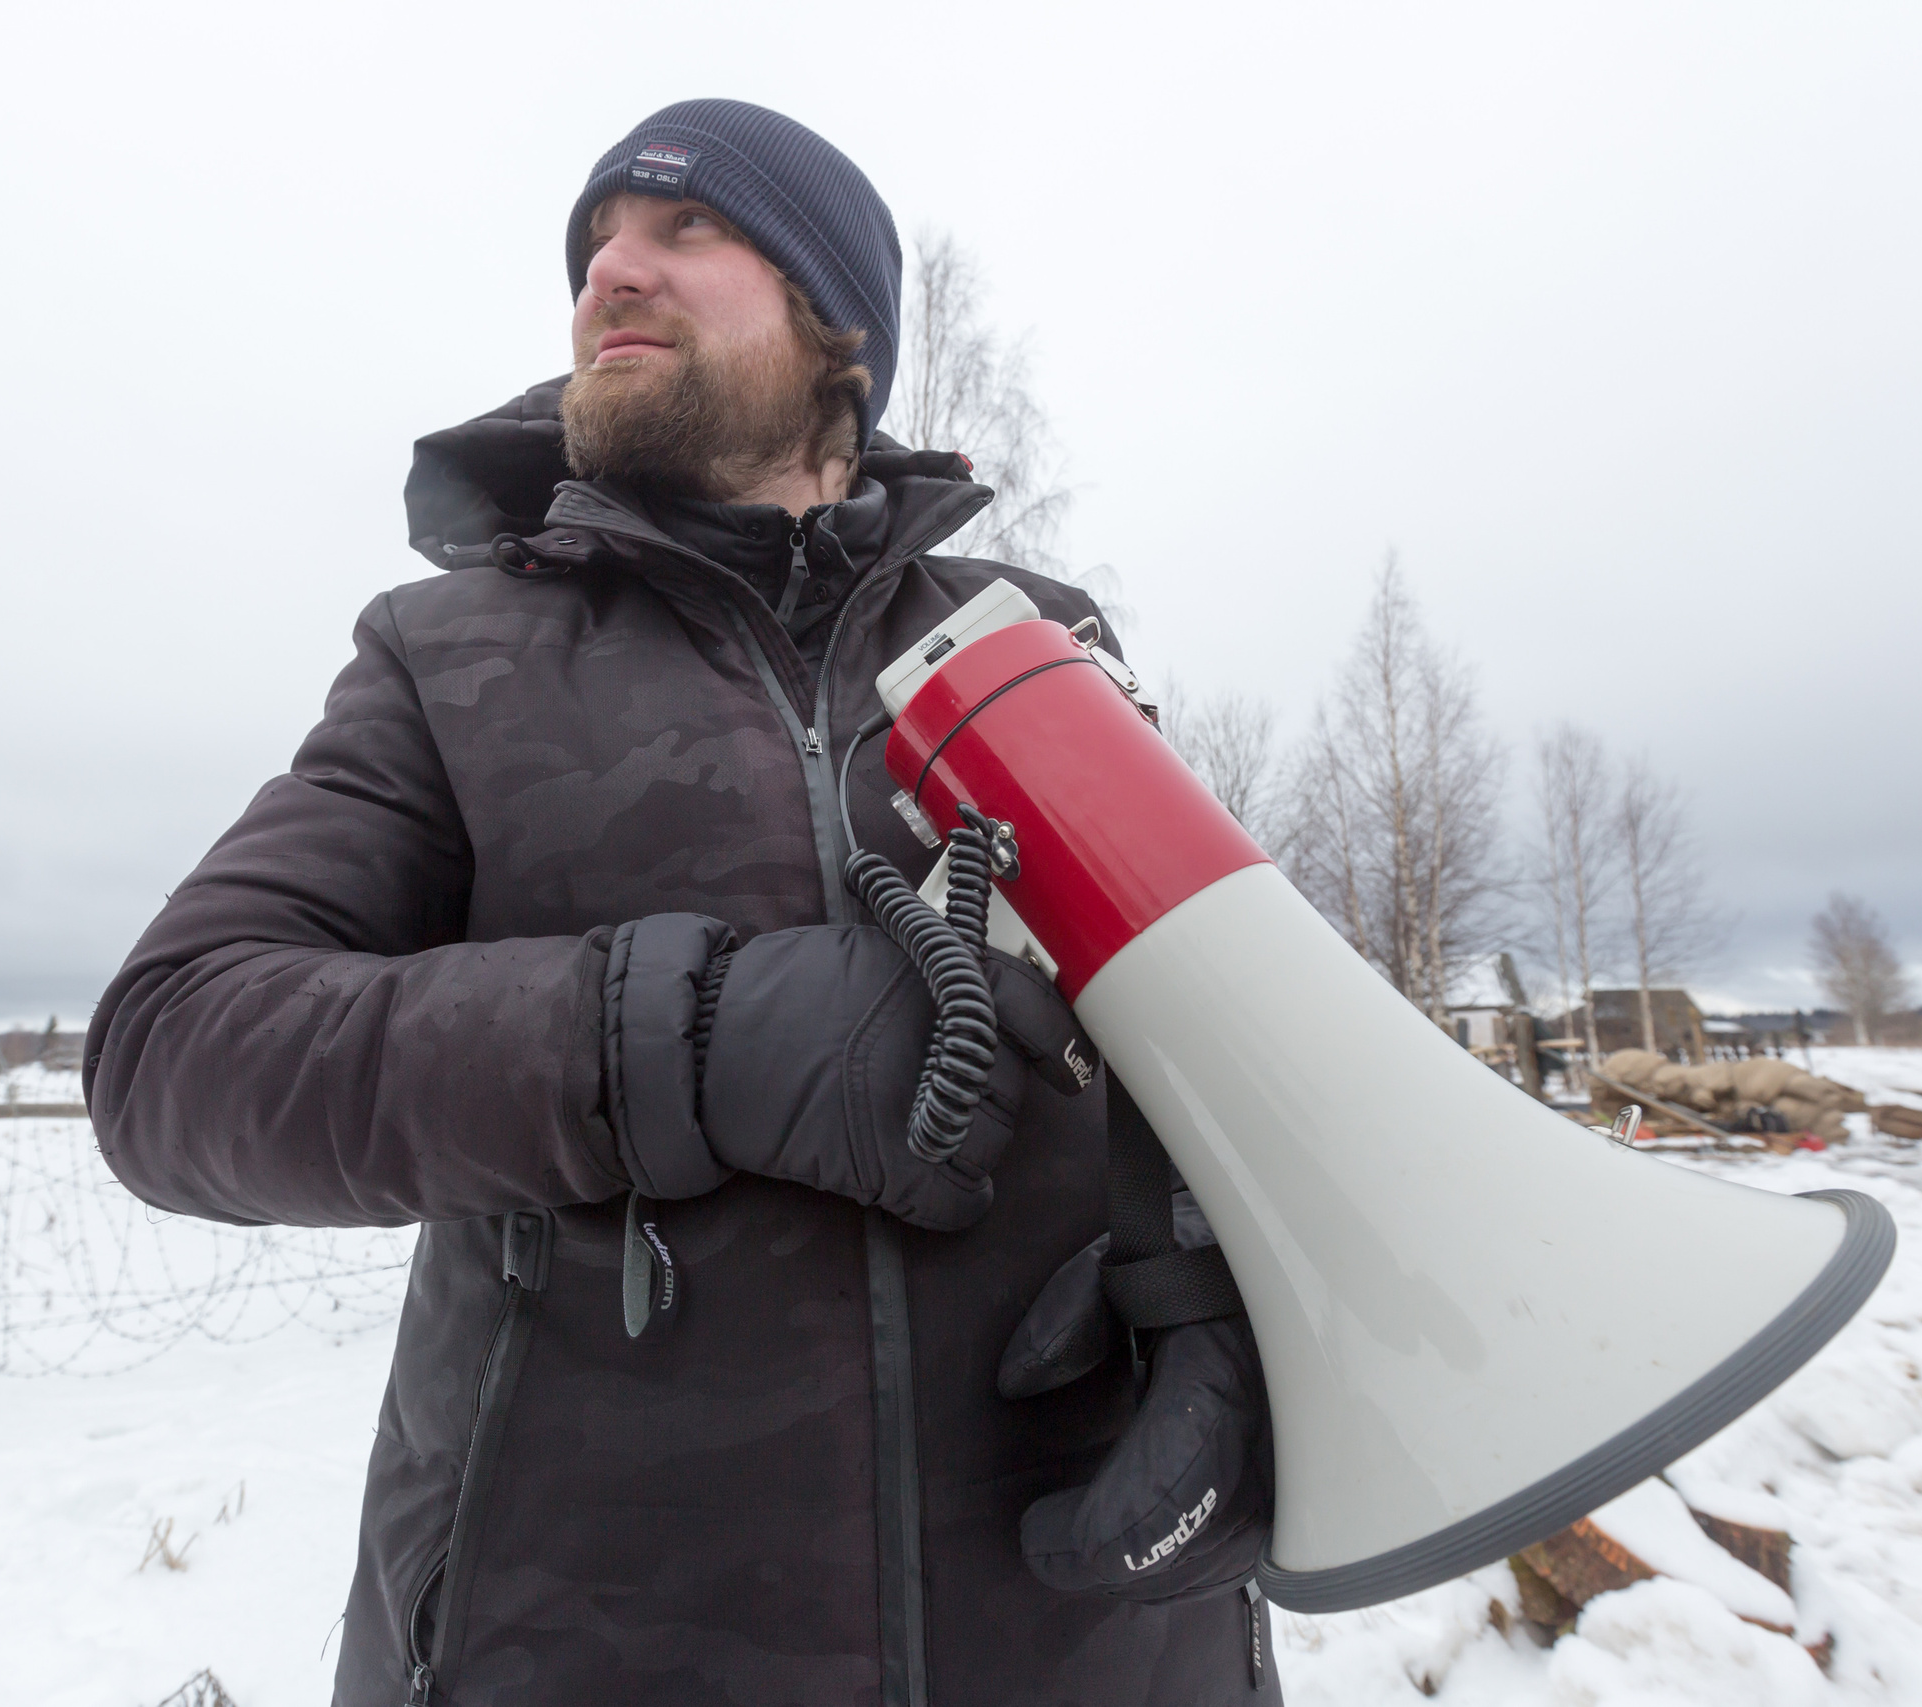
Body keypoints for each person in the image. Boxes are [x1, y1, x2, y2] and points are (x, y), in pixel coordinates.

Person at [87, 100, 1277, 1706]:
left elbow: (1228, 1039)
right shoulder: (453, 657)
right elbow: (175, 1055)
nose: (610, 275)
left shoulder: (1035, 641)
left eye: (685, 229)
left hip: (1086, 1624)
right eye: (593, 248)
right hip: (583, 1634)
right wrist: (691, 1040)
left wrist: (1243, 1303)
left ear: (839, 327)